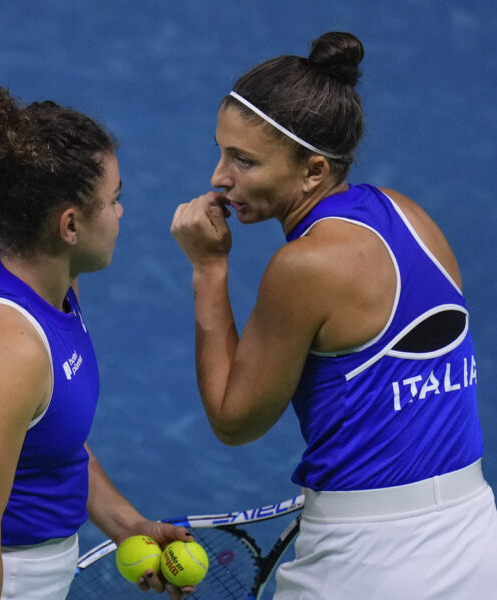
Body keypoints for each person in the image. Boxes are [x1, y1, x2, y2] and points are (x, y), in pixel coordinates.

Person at [171, 31, 497, 599]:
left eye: (244, 161)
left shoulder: (305, 266)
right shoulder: (411, 216)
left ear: (314, 172)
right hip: (474, 538)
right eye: (222, 151)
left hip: (368, 563)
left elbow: (234, 420)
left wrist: (208, 270)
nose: (219, 177)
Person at [0, 83, 194, 600]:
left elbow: (52, 441)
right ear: (70, 225)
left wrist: (124, 523)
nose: (121, 214)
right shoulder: (9, 350)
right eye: (114, 200)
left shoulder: (52, 286)